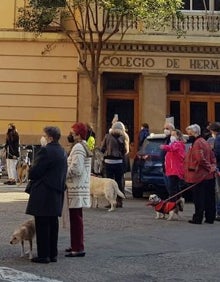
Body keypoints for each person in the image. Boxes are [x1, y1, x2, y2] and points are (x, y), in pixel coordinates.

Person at [25, 126, 67, 263]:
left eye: (44, 135)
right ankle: (52, 253)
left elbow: (34, 172)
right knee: (53, 224)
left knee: (42, 224)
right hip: (56, 192)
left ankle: (43, 255)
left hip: (44, 191)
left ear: (49, 137)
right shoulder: (62, 151)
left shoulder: (45, 151)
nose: (42, 137)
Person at [65, 122, 92, 258]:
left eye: (72, 132)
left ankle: (78, 247)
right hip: (78, 186)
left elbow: (76, 169)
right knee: (76, 218)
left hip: (75, 186)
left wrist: (63, 172)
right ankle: (75, 244)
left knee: (76, 219)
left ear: (78, 135)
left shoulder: (78, 148)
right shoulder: (81, 146)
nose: (70, 134)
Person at [184, 124, 216, 224]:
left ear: (194, 133)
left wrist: (209, 167)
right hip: (208, 176)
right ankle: (210, 217)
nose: (188, 136)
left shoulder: (197, 143)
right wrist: (212, 166)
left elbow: (200, 159)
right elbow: (212, 156)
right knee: (209, 198)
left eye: (189, 133)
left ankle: (198, 218)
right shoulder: (205, 142)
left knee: (199, 198)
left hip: (199, 175)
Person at [100, 121, 126, 208]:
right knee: (119, 182)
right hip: (119, 162)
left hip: (108, 161)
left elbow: (102, 149)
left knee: (109, 182)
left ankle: (111, 201)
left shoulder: (107, 136)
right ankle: (119, 201)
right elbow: (125, 150)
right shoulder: (122, 137)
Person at [160, 129, 185, 202]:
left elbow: (171, 148)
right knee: (175, 187)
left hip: (175, 169)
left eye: (174, 135)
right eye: (171, 135)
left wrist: (164, 146)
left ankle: (173, 202)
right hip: (171, 169)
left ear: (178, 136)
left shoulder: (178, 144)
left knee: (172, 187)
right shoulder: (173, 144)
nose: (172, 137)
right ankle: (178, 201)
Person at [207, 122, 220, 221]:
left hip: (218, 167)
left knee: (218, 191)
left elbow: (217, 154)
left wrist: (211, 151)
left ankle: (219, 213)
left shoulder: (218, 139)